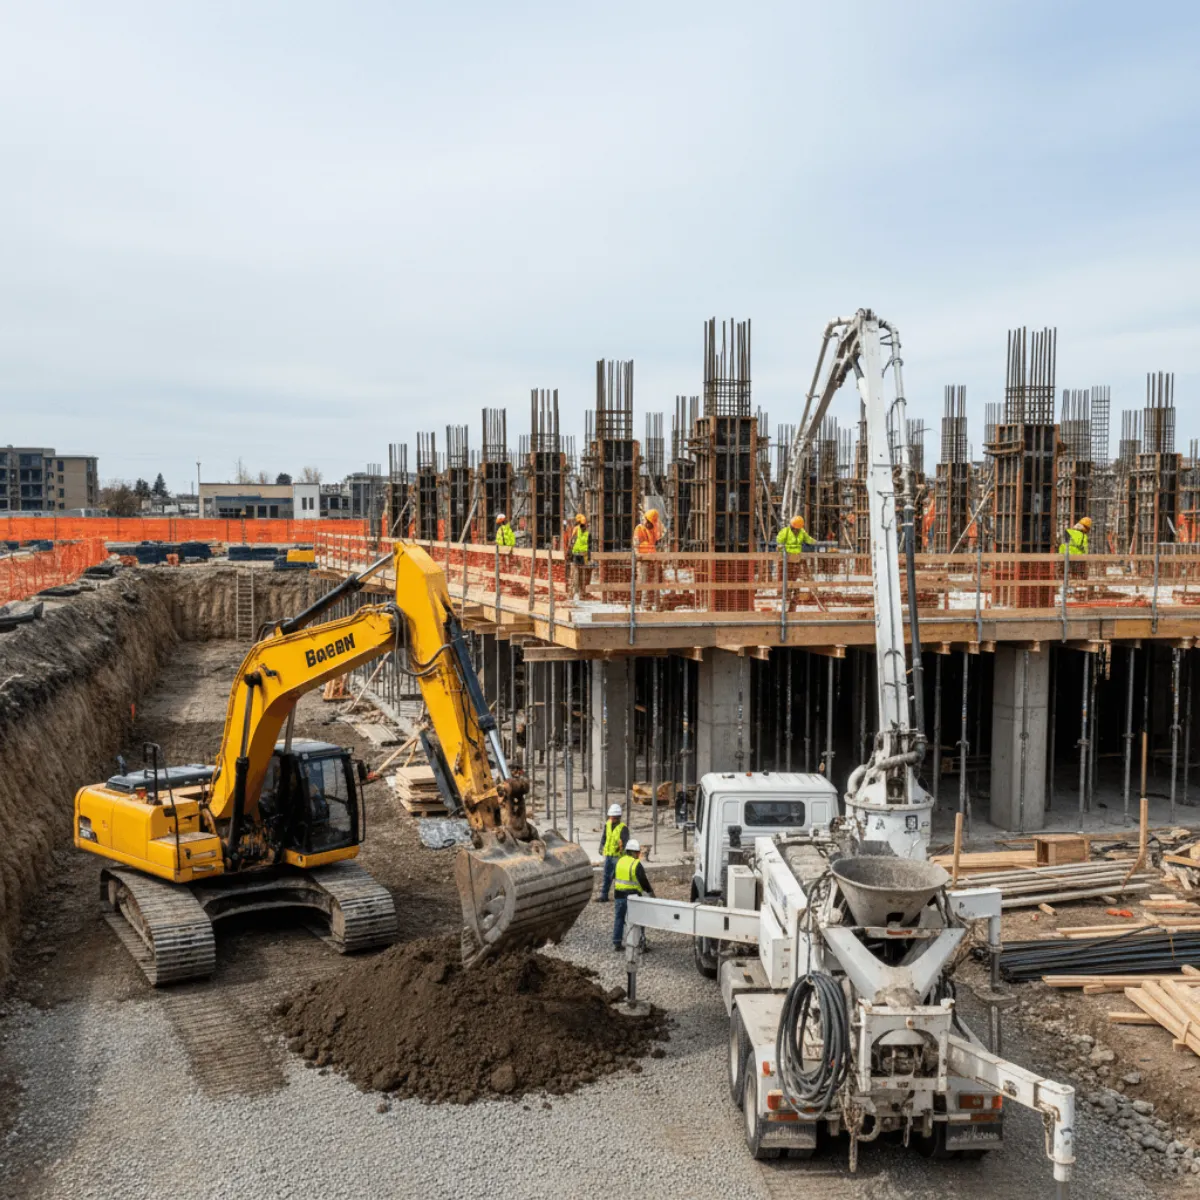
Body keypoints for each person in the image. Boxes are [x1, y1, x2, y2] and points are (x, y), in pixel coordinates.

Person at [612, 838, 655, 951]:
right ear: (634, 852)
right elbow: (643, 881)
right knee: (638, 919)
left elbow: (612, 876)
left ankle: (617, 942)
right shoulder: (636, 864)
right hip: (633, 897)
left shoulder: (620, 861)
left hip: (619, 896)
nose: (639, 855)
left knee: (619, 918)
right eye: (638, 853)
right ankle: (640, 943)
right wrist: (650, 893)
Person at [597, 802, 627, 902]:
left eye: (613, 817)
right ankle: (604, 896)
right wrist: (601, 847)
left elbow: (625, 843)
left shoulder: (623, 828)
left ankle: (619, 896)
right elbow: (604, 837)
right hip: (609, 855)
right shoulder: (608, 825)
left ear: (618, 817)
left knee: (619, 877)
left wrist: (623, 851)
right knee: (606, 876)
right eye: (611, 817)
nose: (611, 819)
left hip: (618, 857)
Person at [634, 509, 663, 610]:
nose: (650, 524)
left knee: (655, 582)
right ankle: (645, 604)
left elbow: (658, 539)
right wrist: (638, 556)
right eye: (649, 522)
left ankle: (656, 604)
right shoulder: (639, 528)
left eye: (652, 523)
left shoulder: (654, 528)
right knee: (645, 582)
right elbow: (636, 544)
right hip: (644, 559)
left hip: (653, 558)